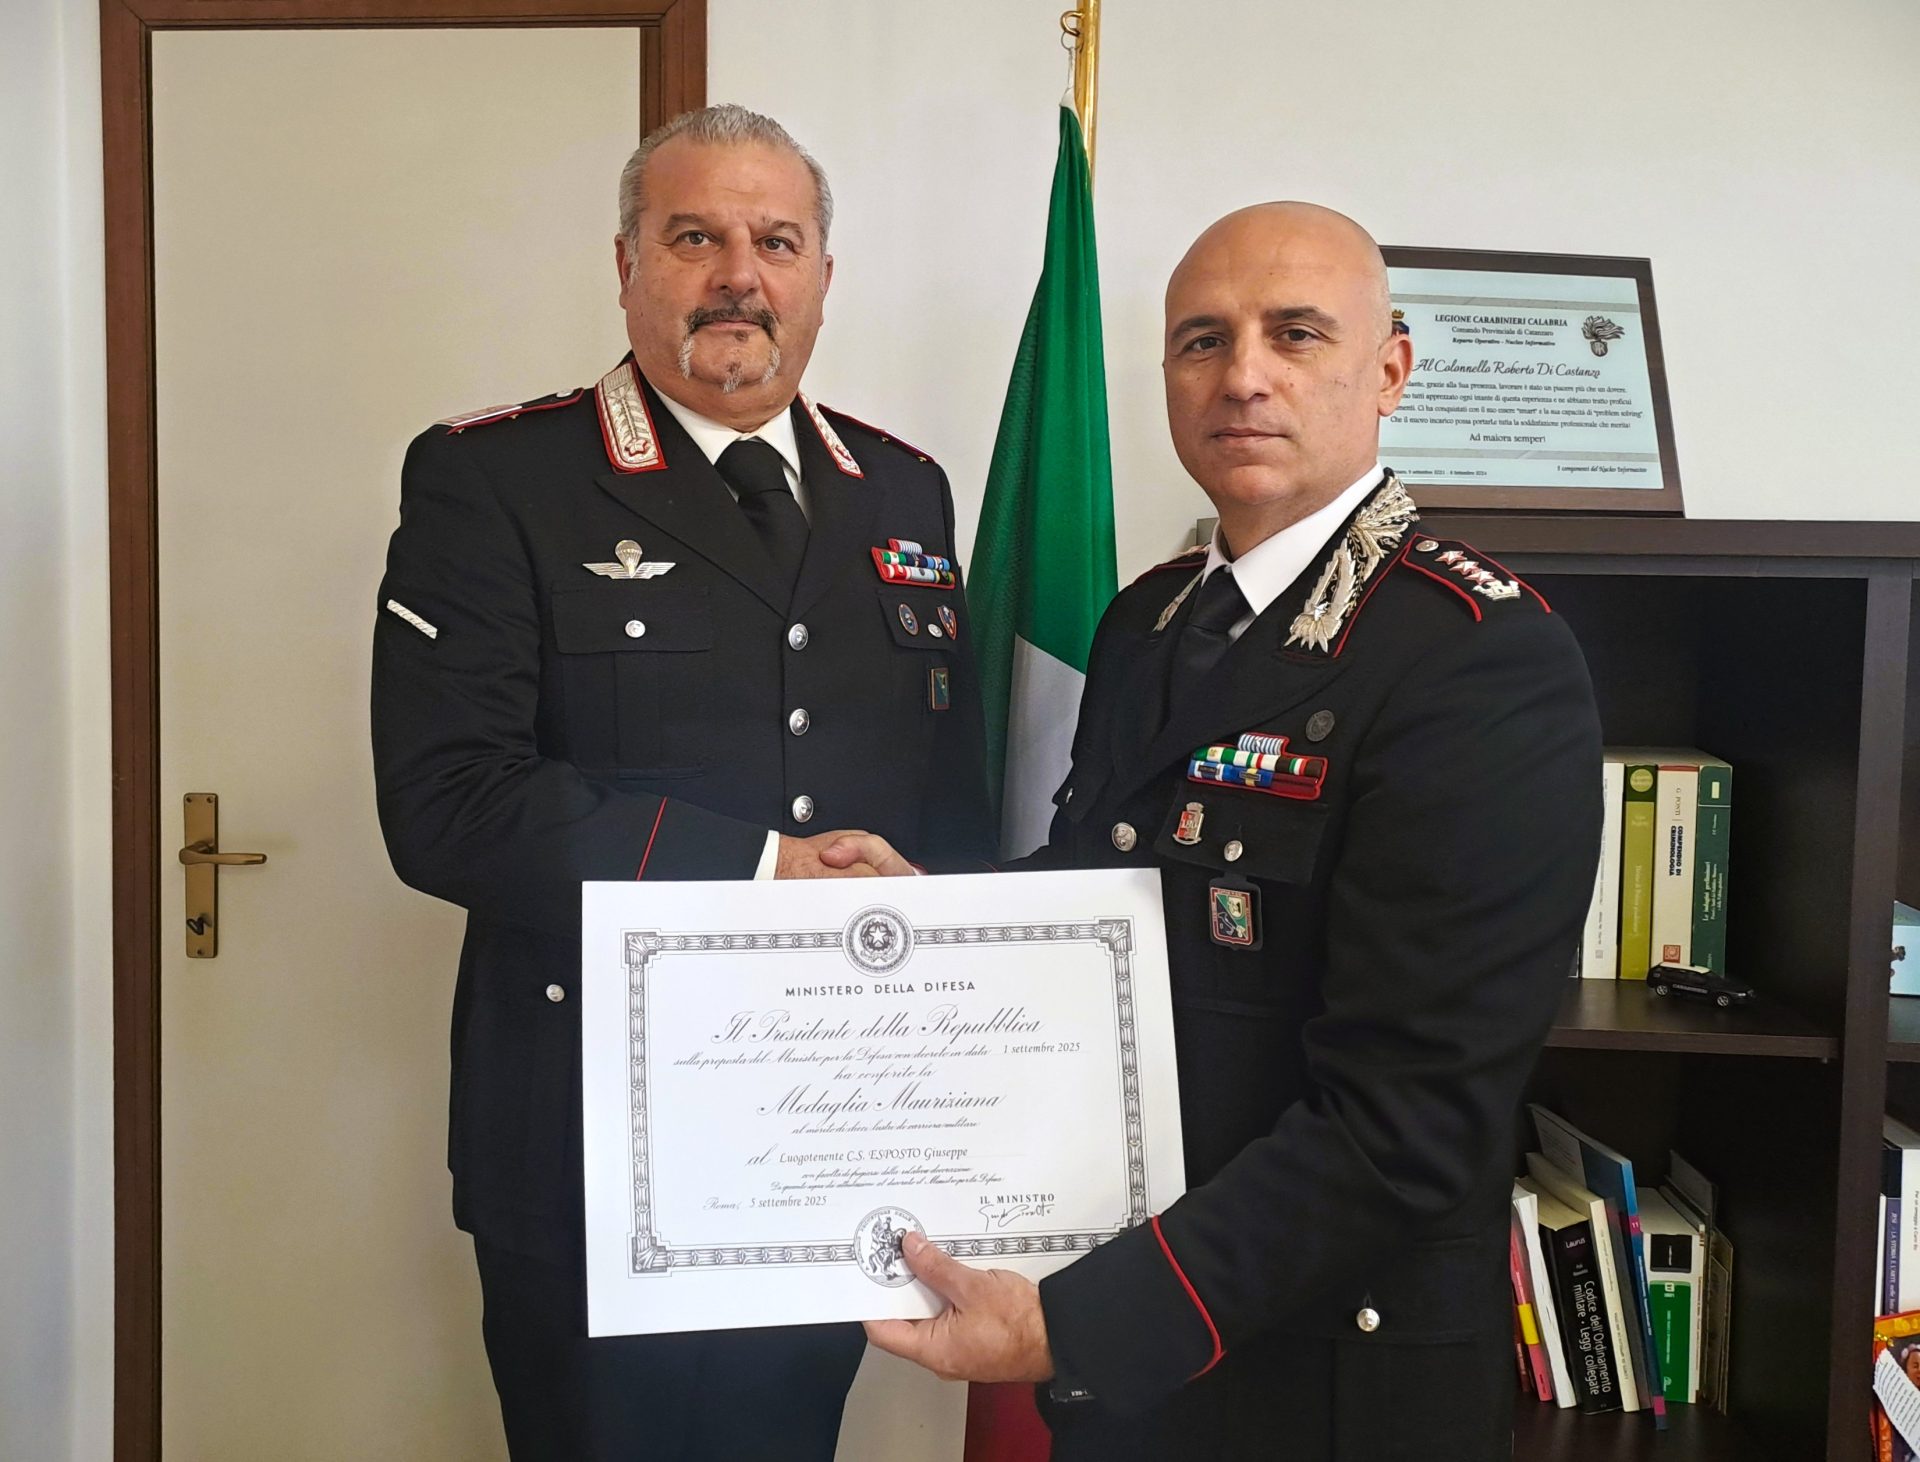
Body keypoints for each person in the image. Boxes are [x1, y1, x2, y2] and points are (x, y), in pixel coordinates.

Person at [863, 201, 1603, 1461]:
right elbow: (1107, 894)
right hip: (1129, 1340)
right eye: (1202, 340)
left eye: (1295, 334)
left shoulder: (1477, 657)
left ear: (1390, 370)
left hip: (1320, 1373)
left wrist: (1082, 1323)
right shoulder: (1149, 618)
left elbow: (1409, 1121)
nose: (1243, 375)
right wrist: (916, 908)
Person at [370, 104, 992, 1461]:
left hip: (828, 1134)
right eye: (694, 238)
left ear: (824, 274)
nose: (739, 277)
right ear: (626, 264)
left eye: (778, 241)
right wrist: (763, 868)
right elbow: (447, 804)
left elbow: (945, 797)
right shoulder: (497, 479)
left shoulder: (903, 491)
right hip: (593, 1137)